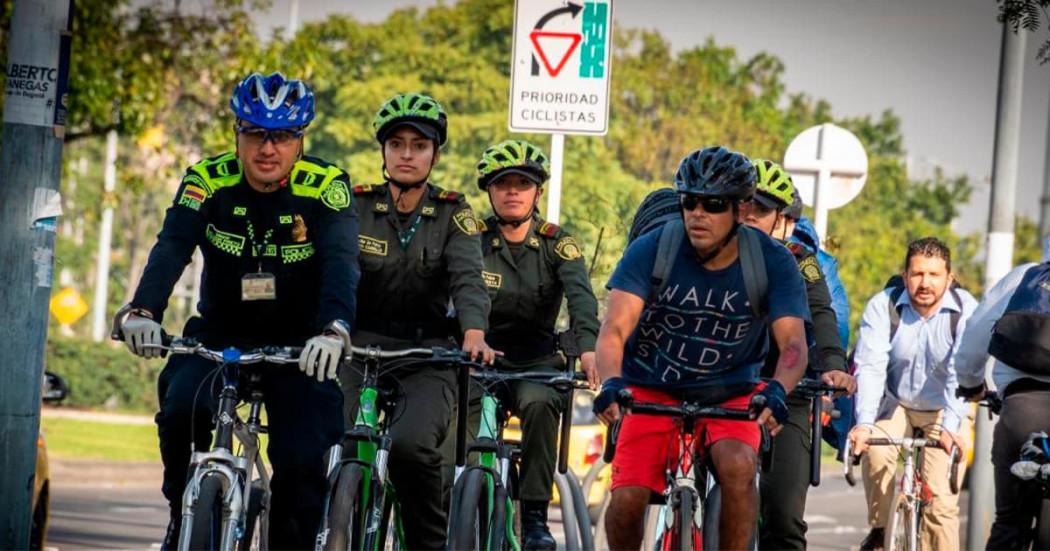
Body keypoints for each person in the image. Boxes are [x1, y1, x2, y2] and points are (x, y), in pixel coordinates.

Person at [120, 72, 359, 549]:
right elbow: (172, 247)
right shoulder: (207, 180)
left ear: (300, 141)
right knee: (180, 408)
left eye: (283, 136)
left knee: (302, 457)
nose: (267, 149)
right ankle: (180, 514)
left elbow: (341, 261)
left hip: (301, 343)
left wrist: (334, 329)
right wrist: (143, 310)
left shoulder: (326, 185)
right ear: (237, 134)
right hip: (219, 334)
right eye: (254, 133)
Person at [593, 146, 811, 550]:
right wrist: (610, 383)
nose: (697, 213)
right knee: (626, 499)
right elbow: (614, 330)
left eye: (712, 205)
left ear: (743, 210)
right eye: (689, 201)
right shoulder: (652, 248)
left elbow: (793, 344)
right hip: (650, 388)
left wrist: (778, 389)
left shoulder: (772, 261)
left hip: (731, 391)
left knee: (738, 467)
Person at [343, 92, 495, 549]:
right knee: (332, 436)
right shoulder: (354, 204)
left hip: (427, 354)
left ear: (435, 153)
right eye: (397, 144)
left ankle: (428, 543)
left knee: (412, 448)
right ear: (384, 151)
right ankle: (328, 524)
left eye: (419, 145)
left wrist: (473, 331)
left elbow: (470, 278)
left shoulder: (454, 213)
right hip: (357, 346)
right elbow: (331, 269)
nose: (407, 154)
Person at [470, 139, 601, 550]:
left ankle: (535, 517)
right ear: (489, 191)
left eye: (522, 184)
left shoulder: (557, 244)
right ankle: (455, 500)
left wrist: (590, 348)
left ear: (537, 193)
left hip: (536, 362)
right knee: (448, 404)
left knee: (541, 403)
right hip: (477, 360)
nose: (512, 191)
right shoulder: (470, 239)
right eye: (503, 183)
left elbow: (581, 298)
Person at [740, 159, 855, 551]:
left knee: (784, 518)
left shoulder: (800, 260)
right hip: (721, 385)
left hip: (785, 390)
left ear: (784, 221)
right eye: (742, 205)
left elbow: (822, 312)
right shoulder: (709, 250)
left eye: (761, 209)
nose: (749, 216)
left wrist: (835, 366)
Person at [849, 237, 977, 551]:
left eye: (934, 275)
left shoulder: (965, 310)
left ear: (949, 278)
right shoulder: (885, 305)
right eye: (917, 274)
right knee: (876, 451)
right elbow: (871, 365)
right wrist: (864, 423)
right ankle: (880, 531)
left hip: (945, 408)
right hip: (897, 403)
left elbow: (961, 375)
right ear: (905, 276)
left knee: (942, 506)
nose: (925, 283)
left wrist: (949, 428)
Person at [955, 240, 1050, 550]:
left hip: (1022, 410)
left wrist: (970, 384)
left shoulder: (1024, 277)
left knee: (1010, 523)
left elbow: (976, 332)